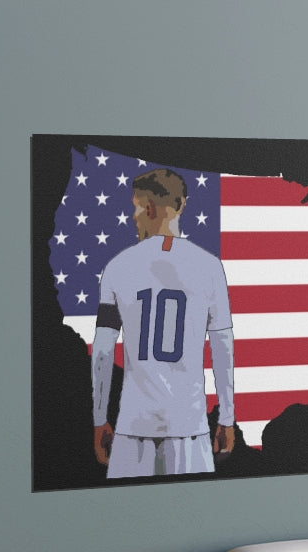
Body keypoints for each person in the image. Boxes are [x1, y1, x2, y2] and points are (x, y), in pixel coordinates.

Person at [91, 168, 236, 478]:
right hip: (189, 426)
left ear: (149, 207)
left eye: (134, 207)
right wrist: (227, 417)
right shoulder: (210, 267)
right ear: (181, 205)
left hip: (133, 425)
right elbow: (223, 347)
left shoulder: (117, 267)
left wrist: (99, 417)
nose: (133, 216)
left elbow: (103, 350)